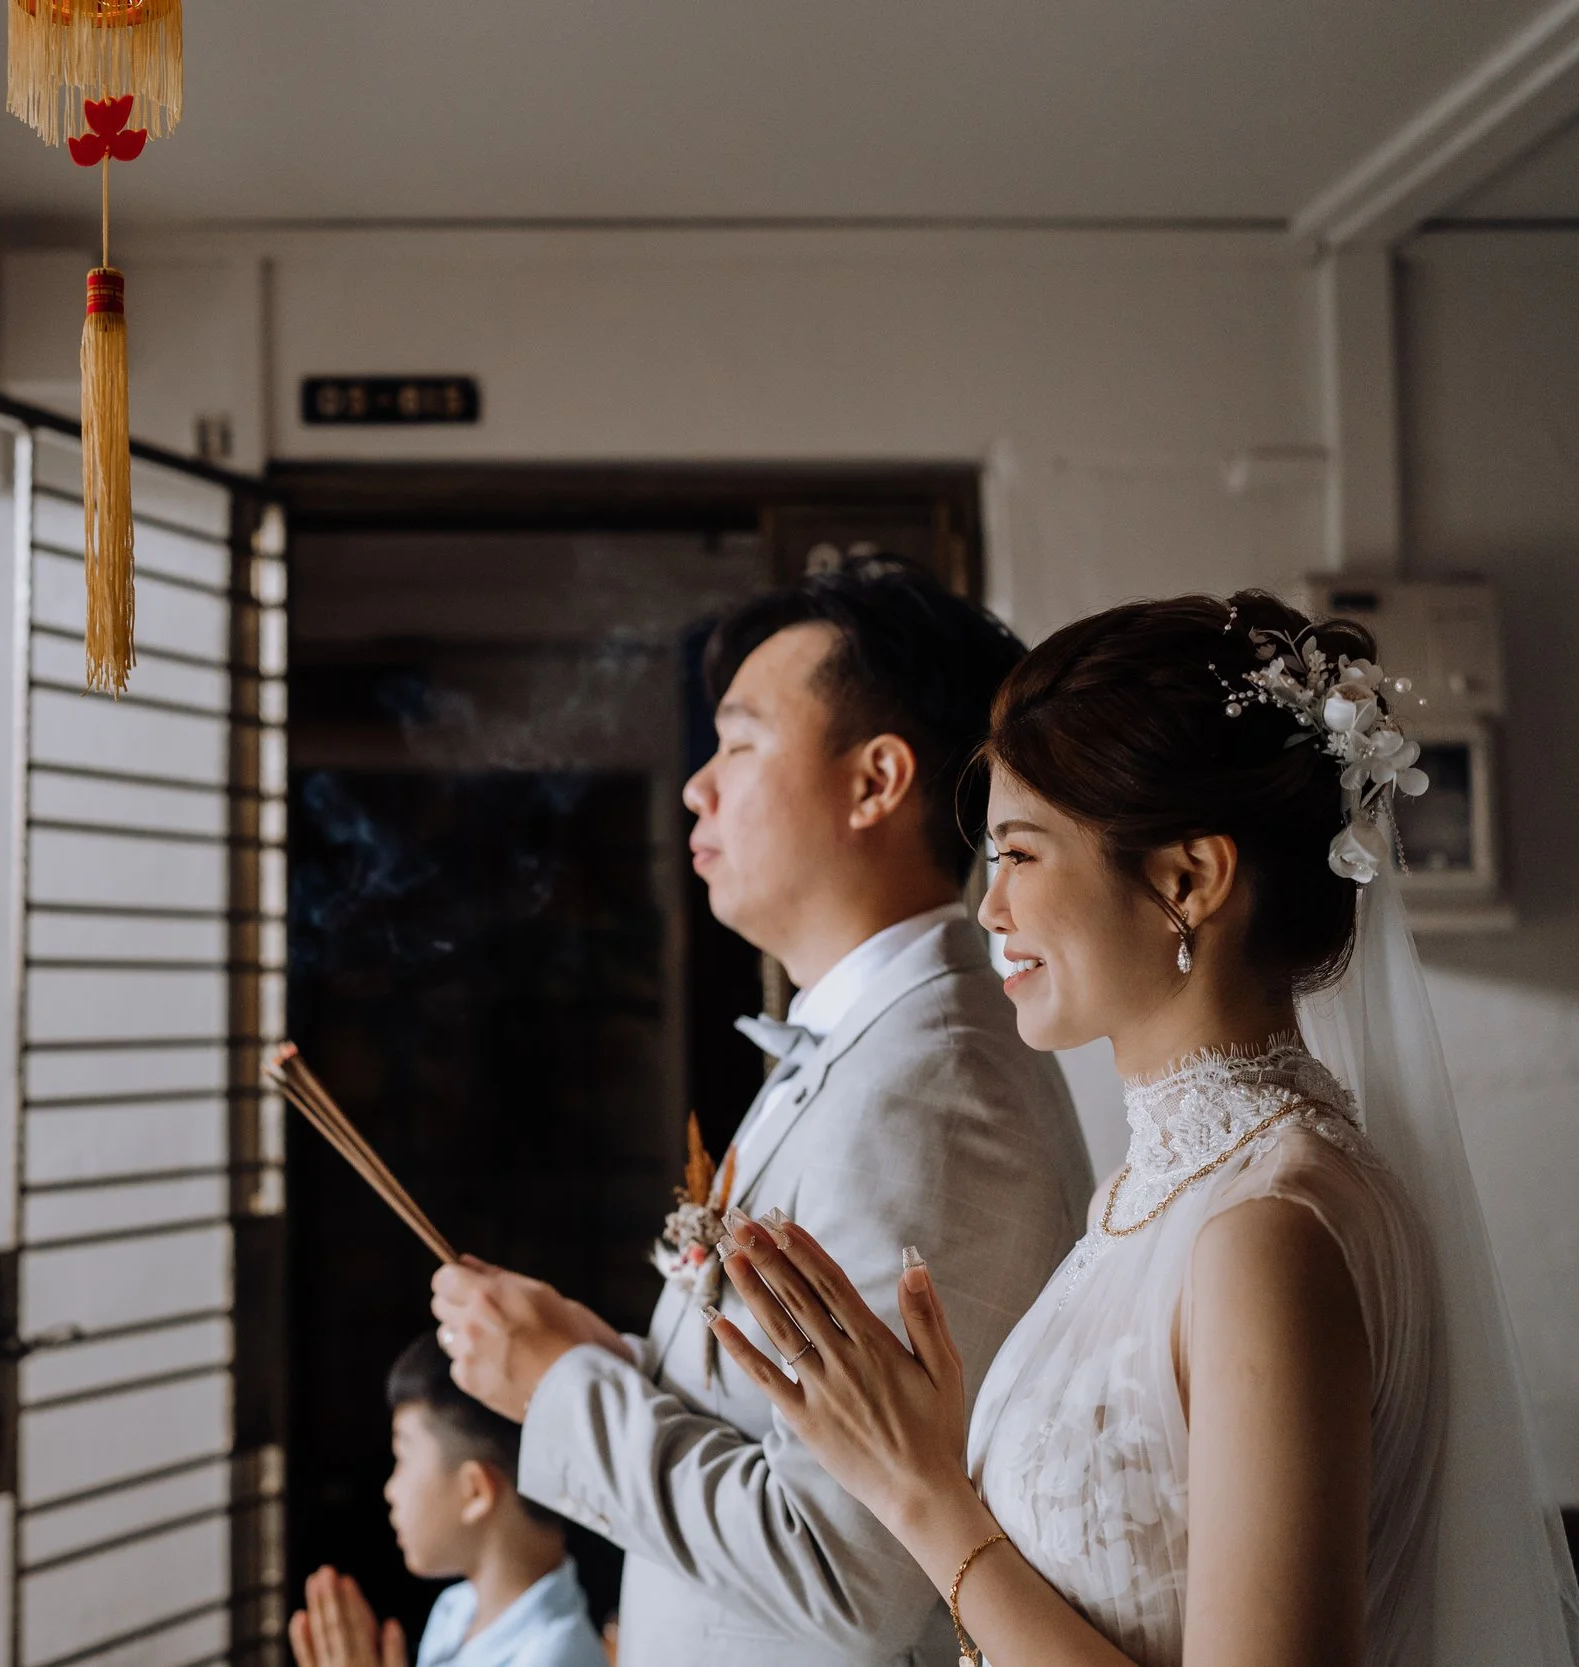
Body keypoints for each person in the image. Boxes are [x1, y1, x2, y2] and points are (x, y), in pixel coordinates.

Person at [710, 591, 1579, 1665]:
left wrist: (926, 1497)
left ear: (1187, 878)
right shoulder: (1163, 1194)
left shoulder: (1267, 1226)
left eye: (1022, 856)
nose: (989, 909)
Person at [430, 560, 1095, 1665]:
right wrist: (627, 1359)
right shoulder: (871, 1042)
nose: (697, 784)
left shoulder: (921, 1086)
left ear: (875, 780)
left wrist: (565, 1390)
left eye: (738, 741)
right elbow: (779, 1422)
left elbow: (845, 1567)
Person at [291, 1333, 605, 1667]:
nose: (390, 1490)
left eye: (403, 1457)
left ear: (475, 1492)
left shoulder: (553, 1656)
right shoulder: (457, 1609)